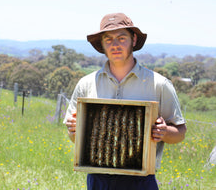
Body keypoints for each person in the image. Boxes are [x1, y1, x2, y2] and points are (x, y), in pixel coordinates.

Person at [64, 12, 187, 190]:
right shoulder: (86, 84)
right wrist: (75, 129)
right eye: (108, 39)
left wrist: (165, 131)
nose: (115, 45)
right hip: (98, 180)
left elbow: (180, 132)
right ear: (102, 44)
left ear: (134, 39)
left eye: (122, 38)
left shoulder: (159, 84)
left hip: (141, 181)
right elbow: (74, 137)